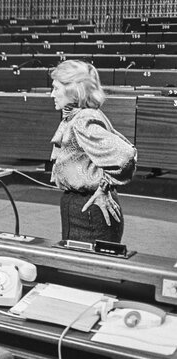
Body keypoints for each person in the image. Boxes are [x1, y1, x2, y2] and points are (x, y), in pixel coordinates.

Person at [49, 60, 137, 244]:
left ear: (73, 90)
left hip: (89, 211)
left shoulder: (83, 120)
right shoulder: (78, 115)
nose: (52, 94)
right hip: (81, 207)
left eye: (56, 88)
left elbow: (125, 154)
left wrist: (104, 187)